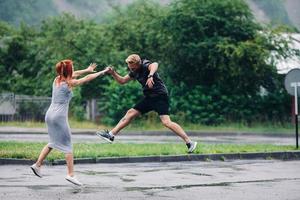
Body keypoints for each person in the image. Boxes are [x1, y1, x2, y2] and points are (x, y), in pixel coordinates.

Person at [96, 54, 197, 153]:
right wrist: (113, 73)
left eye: (132, 66)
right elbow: (122, 81)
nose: (130, 68)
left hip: (159, 96)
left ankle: (189, 142)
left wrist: (151, 75)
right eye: (129, 66)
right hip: (149, 97)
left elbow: (155, 64)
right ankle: (111, 135)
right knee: (130, 113)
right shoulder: (134, 71)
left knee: (166, 122)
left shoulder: (145, 65)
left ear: (138, 63)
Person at [30, 59, 109, 186]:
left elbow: (76, 73)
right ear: (68, 71)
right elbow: (87, 78)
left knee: (52, 142)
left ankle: (37, 164)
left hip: (49, 114)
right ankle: (71, 175)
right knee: (67, 146)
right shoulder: (69, 83)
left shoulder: (57, 79)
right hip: (59, 116)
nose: (74, 69)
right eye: (72, 67)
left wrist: (87, 70)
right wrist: (103, 72)